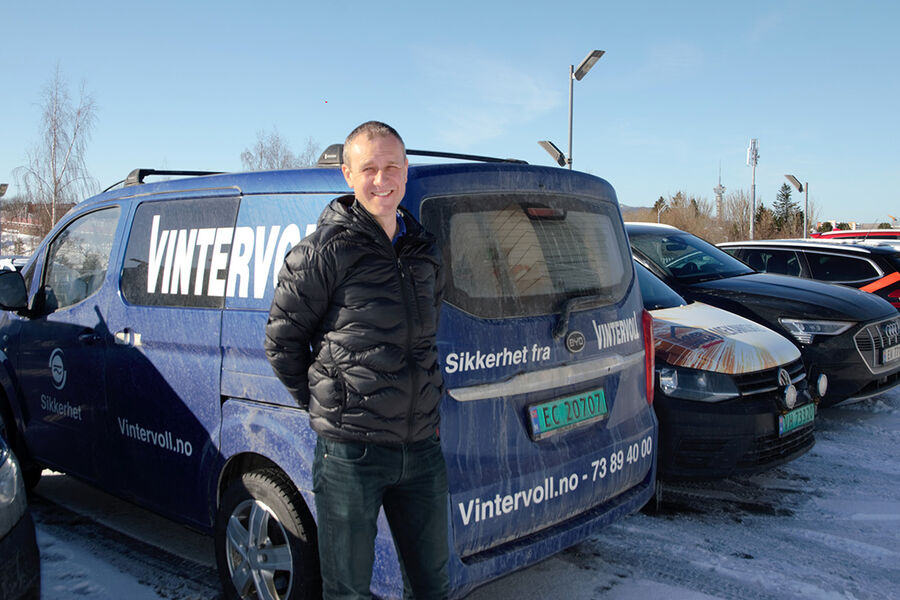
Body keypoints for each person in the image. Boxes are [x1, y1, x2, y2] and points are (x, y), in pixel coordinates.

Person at [265, 121, 448, 599]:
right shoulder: (322, 252)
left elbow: (426, 335)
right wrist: (330, 402)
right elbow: (282, 342)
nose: (382, 178)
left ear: (406, 170)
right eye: (369, 168)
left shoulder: (424, 251)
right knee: (347, 591)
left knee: (434, 585)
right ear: (347, 174)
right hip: (352, 453)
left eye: (392, 166)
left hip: (422, 449)